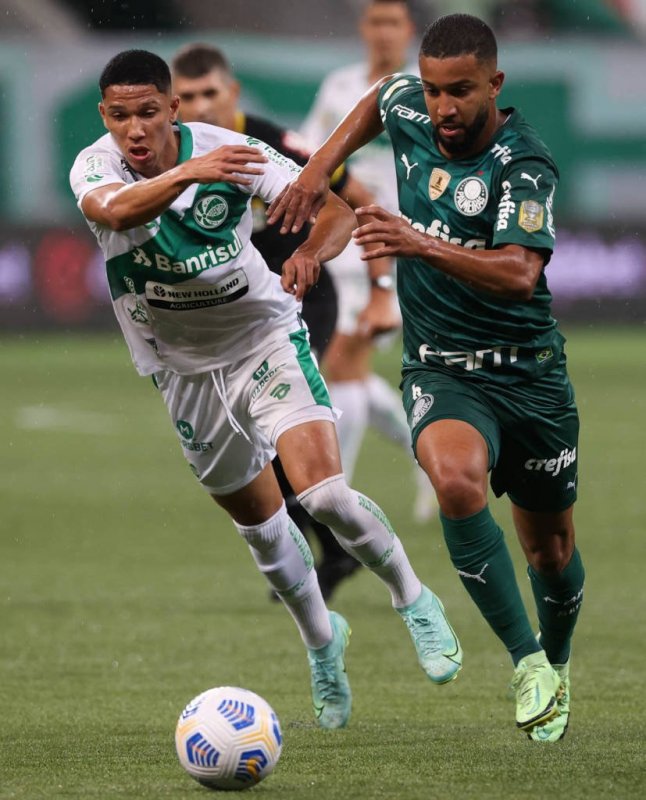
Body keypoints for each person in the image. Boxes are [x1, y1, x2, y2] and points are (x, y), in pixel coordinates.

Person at [69, 49, 463, 731]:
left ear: (171, 109)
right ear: (106, 116)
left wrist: (313, 252)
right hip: (183, 370)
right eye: (119, 115)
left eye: (147, 112)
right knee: (261, 530)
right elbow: (111, 208)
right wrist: (190, 172)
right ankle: (322, 643)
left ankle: (414, 598)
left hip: (264, 339)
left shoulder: (236, 152)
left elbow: (336, 212)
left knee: (322, 493)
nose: (133, 128)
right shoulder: (96, 166)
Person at [268, 13, 585, 742]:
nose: (443, 108)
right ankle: (527, 660)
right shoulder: (410, 103)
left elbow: (518, 271)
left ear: (495, 85)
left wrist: (418, 241)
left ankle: (557, 663)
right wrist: (317, 171)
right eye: (436, 91)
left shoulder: (524, 163)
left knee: (551, 551)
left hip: (530, 376)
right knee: (455, 480)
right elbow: (381, 101)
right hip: (442, 367)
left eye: (461, 92)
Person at [170, 42, 361, 601]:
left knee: (276, 431)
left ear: (232, 92)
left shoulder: (272, 144)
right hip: (231, 314)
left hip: (299, 296)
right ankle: (327, 547)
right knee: (254, 441)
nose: (202, 104)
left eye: (212, 92)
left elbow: (345, 195)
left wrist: (371, 279)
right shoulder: (174, 155)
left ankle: (322, 547)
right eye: (189, 96)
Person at [300, 0, 438, 524]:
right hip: (344, 240)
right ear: (364, 29)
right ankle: (418, 456)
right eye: (375, 22)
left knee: (342, 364)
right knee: (342, 366)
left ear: (408, 32)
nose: (383, 33)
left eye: (393, 23)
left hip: (400, 243)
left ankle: (333, 494)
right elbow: (312, 153)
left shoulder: (425, 92)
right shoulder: (339, 87)